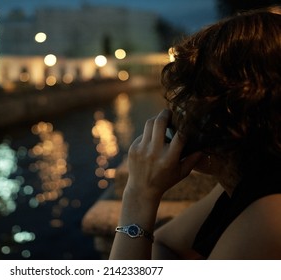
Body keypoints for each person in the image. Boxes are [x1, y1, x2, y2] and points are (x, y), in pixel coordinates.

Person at [109, 7, 281, 260]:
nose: (172, 117)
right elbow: (166, 244)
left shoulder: (269, 218)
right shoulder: (245, 182)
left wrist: (138, 195)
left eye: (185, 103)